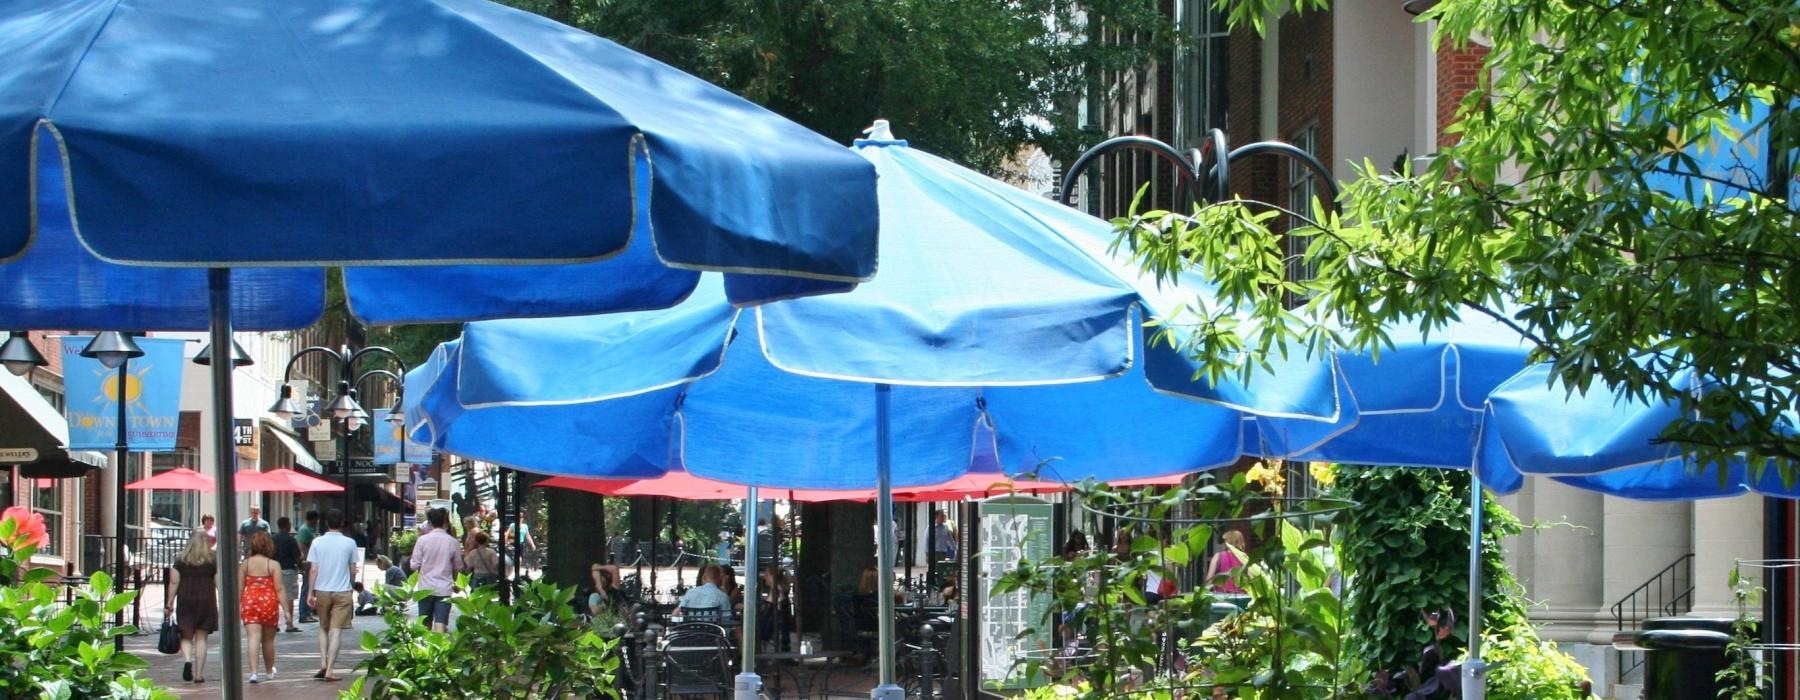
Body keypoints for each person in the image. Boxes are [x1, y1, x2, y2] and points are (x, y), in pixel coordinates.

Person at [306, 508, 360, 682]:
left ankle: (322, 662)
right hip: (342, 591)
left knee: (323, 627)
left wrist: (310, 592)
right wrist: (351, 585)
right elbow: (353, 570)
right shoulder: (350, 543)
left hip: (322, 590)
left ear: (326, 523)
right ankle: (330, 669)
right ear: (342, 523)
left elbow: (313, 569)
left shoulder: (317, 542)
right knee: (336, 631)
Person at [166, 529, 218, 684]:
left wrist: (169, 603)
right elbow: (218, 582)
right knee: (202, 637)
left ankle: (187, 660)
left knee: (186, 635)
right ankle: (199, 674)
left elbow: (174, 582)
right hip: (206, 599)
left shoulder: (180, 559)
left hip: (186, 599)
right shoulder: (212, 559)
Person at [239, 531, 288, 684]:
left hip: (250, 602)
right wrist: (286, 610)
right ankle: (269, 671)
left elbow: (240, 588)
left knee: (253, 638)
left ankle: (253, 673)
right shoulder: (273, 565)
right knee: (268, 641)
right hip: (268, 603)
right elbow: (279, 588)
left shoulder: (245, 564)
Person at [409, 508, 463, 631]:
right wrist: (456, 582)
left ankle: (425, 648)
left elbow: (414, 565)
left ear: (430, 522)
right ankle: (439, 648)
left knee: (424, 623)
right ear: (445, 522)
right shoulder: (453, 542)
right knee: (441, 623)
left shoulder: (422, 540)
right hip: (444, 588)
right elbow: (458, 566)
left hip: (425, 587)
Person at [271, 517, 303, 633]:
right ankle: (289, 623)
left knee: (275, 597)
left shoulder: (273, 539)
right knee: (289, 597)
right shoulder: (291, 540)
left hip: (274, 571)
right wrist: (301, 568)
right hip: (289, 570)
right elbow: (297, 557)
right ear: (286, 525)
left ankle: (274, 623)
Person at [1204, 529, 1248, 594]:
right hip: (1241, 596)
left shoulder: (1218, 556)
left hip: (1221, 597)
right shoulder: (1245, 558)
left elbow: (1209, 580)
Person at [296, 510, 320, 623]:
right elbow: (302, 547)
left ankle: (308, 612)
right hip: (308, 562)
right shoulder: (304, 530)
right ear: (313, 519)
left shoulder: (309, 529)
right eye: (316, 519)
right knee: (306, 587)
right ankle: (304, 613)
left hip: (311, 561)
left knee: (310, 586)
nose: (317, 522)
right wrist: (306, 560)